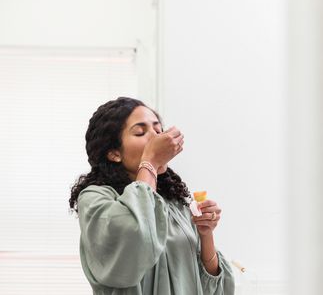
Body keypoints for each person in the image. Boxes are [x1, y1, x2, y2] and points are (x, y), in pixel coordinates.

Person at [69, 97, 235, 295]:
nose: (156, 138)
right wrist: (150, 162)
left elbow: (213, 289)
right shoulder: (95, 198)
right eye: (140, 132)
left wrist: (206, 234)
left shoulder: (175, 203)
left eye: (158, 130)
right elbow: (137, 235)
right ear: (114, 153)